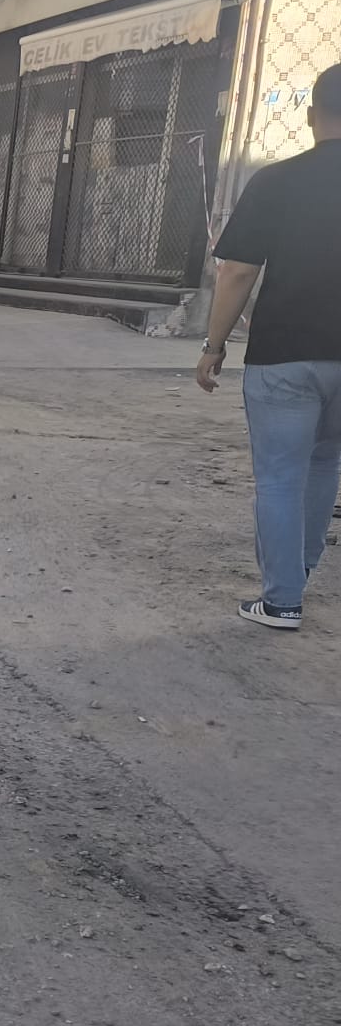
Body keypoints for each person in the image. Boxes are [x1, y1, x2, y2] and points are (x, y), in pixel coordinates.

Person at [196, 62, 341, 631]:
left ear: (310, 117)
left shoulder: (277, 181)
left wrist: (213, 345)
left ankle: (283, 600)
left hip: (284, 353)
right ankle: (298, 577)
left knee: (281, 475)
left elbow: (236, 272)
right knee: (326, 462)